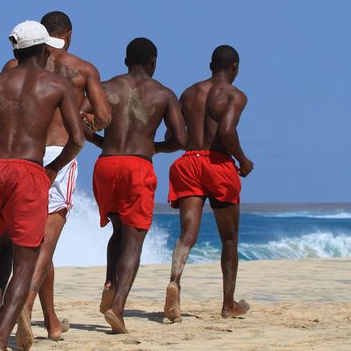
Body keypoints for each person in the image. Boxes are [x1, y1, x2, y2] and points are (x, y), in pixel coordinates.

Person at [0, 21, 85, 351]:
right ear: (44, 50)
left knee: (2, 248)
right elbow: (78, 139)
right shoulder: (54, 85)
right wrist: (54, 168)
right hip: (27, 171)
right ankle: (0, 342)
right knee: (26, 263)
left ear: (15, 50)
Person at [2, 11, 111, 343]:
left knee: (29, 241)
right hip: (58, 154)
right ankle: (24, 305)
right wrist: (82, 117)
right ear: (69, 34)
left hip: (18, 155)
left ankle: (51, 323)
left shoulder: (13, 67)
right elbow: (104, 117)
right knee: (45, 244)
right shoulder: (83, 69)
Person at [83, 38, 186, 333]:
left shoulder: (105, 88)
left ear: (126, 59)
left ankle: (110, 282)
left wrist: (99, 140)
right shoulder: (163, 94)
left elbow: (78, 117)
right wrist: (154, 148)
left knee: (117, 229)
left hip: (106, 164)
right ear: (153, 61)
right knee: (134, 238)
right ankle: (118, 307)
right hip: (137, 166)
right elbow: (180, 139)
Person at [164, 45, 254, 322]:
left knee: (187, 233)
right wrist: (243, 160)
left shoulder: (189, 93)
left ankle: (175, 282)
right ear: (235, 67)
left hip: (189, 161)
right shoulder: (235, 95)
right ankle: (228, 304)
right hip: (218, 164)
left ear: (210, 65)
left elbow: (173, 134)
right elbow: (227, 130)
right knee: (228, 238)